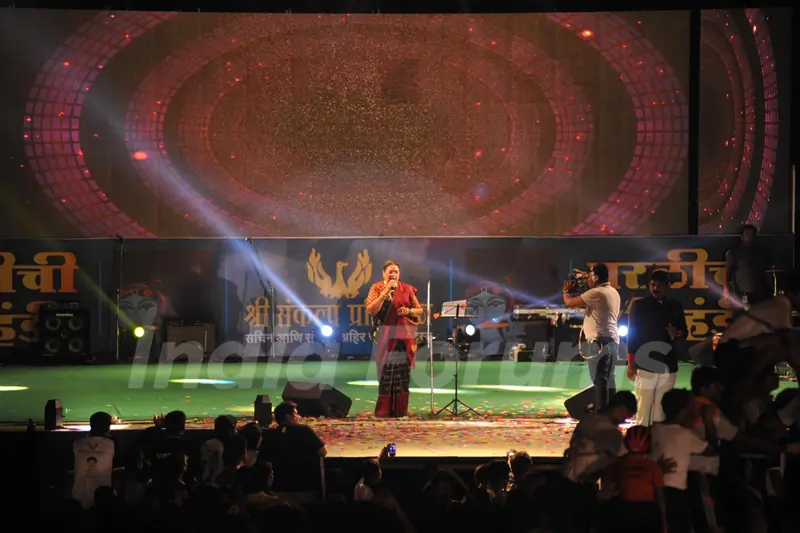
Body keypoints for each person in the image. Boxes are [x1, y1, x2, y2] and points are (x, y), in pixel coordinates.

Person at [557, 391, 637, 533]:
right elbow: (625, 460)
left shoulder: (586, 420)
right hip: (581, 486)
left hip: (565, 480)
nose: (624, 420)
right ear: (620, 409)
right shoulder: (611, 433)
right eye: (626, 416)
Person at [626, 270, 688, 426]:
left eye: (660, 284)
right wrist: (631, 361)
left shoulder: (675, 306)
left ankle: (658, 440)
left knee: (661, 407)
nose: (656, 287)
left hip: (668, 364)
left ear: (668, 287)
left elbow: (684, 332)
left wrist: (677, 332)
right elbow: (632, 335)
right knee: (644, 405)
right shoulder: (639, 306)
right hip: (645, 362)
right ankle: (641, 439)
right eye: (653, 284)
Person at [649, 389, 715, 533]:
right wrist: (708, 420)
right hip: (675, 492)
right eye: (693, 407)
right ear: (683, 411)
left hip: (653, 488)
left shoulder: (654, 429)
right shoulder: (684, 435)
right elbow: (712, 450)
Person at [365, 259, 422, 417]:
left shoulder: (407, 289)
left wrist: (408, 312)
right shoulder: (376, 288)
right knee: (386, 373)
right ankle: (384, 411)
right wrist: (385, 292)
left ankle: (400, 410)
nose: (393, 274)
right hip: (384, 336)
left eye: (396, 271)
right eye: (390, 271)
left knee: (402, 374)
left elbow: (418, 310)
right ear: (384, 273)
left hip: (403, 338)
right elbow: (371, 309)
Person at [563, 263, 621, 410]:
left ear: (595, 277)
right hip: (612, 340)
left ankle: (601, 412)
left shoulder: (596, 293)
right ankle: (611, 410)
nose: (587, 280)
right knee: (609, 378)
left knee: (599, 379)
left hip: (598, 341)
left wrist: (565, 292)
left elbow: (570, 303)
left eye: (589, 277)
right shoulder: (613, 291)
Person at [597, 426, 666, 533]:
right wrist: (665, 525)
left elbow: (606, 492)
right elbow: (660, 497)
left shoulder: (615, 465)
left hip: (622, 512)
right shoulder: (653, 467)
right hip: (647, 514)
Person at [259, 401, 327, 506]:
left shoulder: (268, 435)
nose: (298, 417)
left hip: (276, 490)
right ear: (288, 416)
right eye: (295, 414)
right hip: (304, 489)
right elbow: (322, 452)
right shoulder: (304, 430)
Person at [724, 224, 770, 309]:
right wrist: (726, 289)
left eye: (751, 234)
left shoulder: (760, 252)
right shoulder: (735, 252)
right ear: (742, 236)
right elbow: (727, 271)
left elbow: (766, 271)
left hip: (758, 291)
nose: (749, 236)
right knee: (741, 316)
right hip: (741, 291)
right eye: (747, 234)